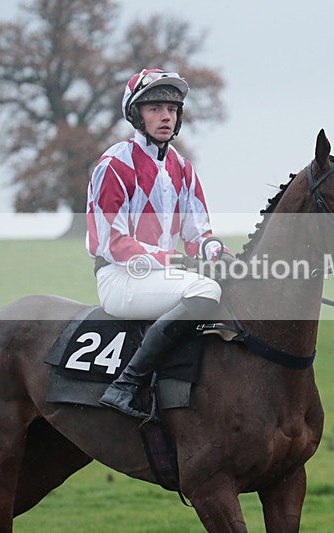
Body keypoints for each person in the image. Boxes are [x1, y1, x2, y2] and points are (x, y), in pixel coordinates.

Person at [86, 68, 230, 418]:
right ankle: (126, 385)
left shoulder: (183, 167)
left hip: (161, 276)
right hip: (120, 278)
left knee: (230, 285)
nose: (166, 116)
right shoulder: (114, 164)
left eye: (172, 108)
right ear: (136, 114)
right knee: (206, 292)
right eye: (155, 108)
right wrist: (175, 260)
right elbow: (113, 242)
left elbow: (198, 236)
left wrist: (218, 253)